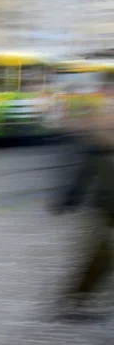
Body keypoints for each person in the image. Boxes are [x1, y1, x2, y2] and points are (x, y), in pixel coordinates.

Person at [49, 109, 114, 321]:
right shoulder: (99, 151)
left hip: (105, 207)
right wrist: (69, 200)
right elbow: (84, 177)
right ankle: (76, 300)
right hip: (105, 208)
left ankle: (77, 299)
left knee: (100, 258)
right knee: (99, 258)